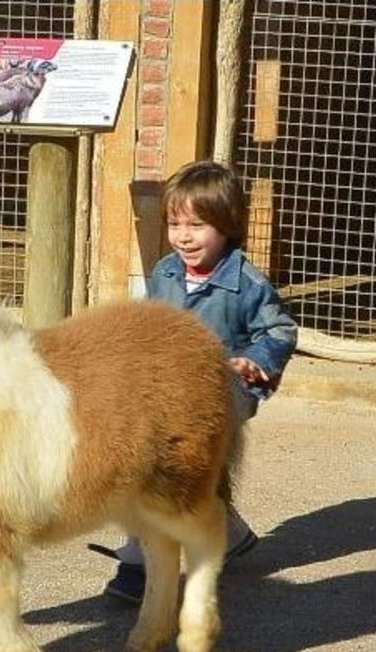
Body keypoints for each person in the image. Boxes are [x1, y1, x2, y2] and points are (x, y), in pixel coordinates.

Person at [93, 160, 298, 603]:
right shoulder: (166, 271)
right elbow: (150, 324)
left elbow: (279, 331)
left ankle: (137, 565)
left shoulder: (246, 283)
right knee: (161, 468)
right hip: (168, 393)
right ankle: (228, 534)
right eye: (175, 223)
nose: (184, 236)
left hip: (225, 392)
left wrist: (253, 360)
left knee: (160, 469)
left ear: (226, 226)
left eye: (197, 225)